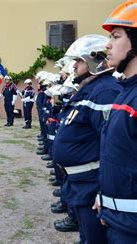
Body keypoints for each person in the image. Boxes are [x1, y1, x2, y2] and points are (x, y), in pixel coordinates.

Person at [53, 34, 122, 244]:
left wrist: (102, 190)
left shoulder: (105, 92)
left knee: (95, 237)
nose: (74, 66)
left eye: (79, 61)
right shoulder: (91, 89)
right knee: (86, 235)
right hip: (80, 183)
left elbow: (111, 146)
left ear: (94, 61)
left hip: (92, 184)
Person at [96, 2, 137, 243]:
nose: (107, 45)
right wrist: (105, 200)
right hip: (118, 220)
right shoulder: (124, 92)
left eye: (116, 36)